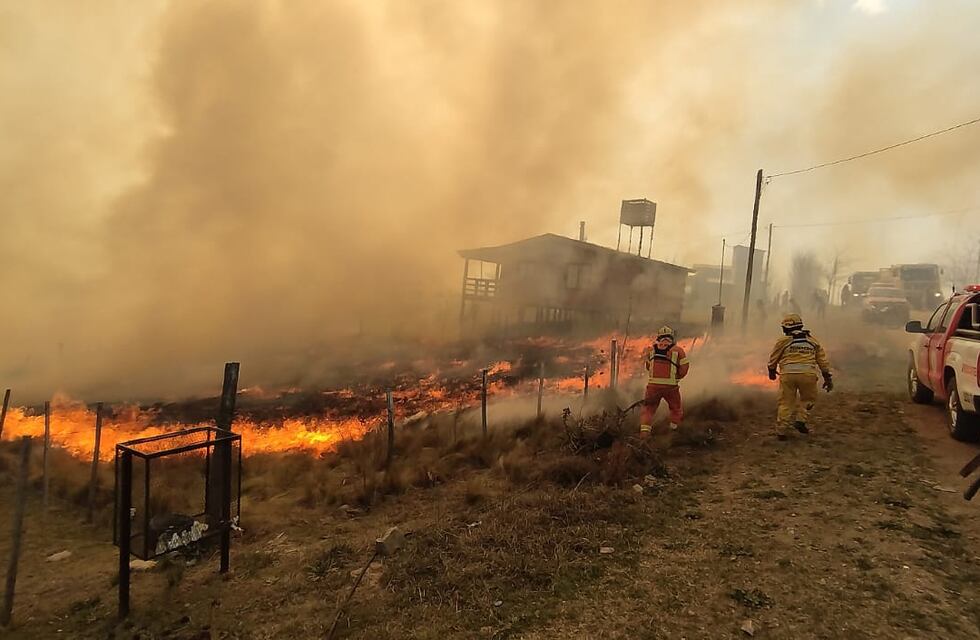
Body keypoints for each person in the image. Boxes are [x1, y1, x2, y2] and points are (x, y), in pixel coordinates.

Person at [767, 314, 832, 440]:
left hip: (788, 376)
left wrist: (772, 371)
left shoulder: (783, 341)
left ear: (786, 328)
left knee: (785, 403)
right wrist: (827, 377)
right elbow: (822, 361)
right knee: (808, 399)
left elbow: (773, 358)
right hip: (808, 375)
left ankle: (781, 432)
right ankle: (801, 420)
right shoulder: (813, 341)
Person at [640, 325, 690, 435]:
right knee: (675, 409)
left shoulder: (651, 350)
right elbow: (684, 368)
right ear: (671, 338)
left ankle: (644, 435)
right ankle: (672, 432)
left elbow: (648, 367)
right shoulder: (678, 350)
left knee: (648, 409)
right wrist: (677, 377)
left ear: (659, 338)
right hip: (671, 387)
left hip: (653, 387)